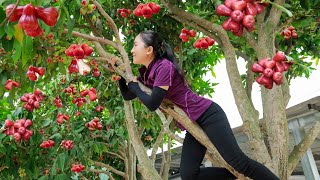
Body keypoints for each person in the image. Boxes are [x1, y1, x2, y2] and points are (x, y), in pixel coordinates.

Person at [118, 30, 279, 180]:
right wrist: (119, 75)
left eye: (135, 45)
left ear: (149, 50)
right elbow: (127, 95)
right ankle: (235, 176)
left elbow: (153, 103)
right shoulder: (146, 74)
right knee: (189, 175)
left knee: (239, 161)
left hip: (208, 115)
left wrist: (134, 86)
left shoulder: (164, 67)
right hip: (192, 124)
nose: (132, 50)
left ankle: (243, 172)